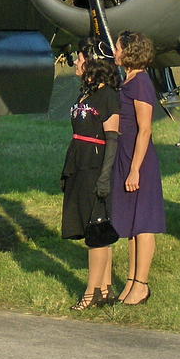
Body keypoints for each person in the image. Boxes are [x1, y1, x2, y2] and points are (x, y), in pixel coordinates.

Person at [60, 38, 121, 309]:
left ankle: (90, 292)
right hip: (79, 163)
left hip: (95, 167)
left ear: (91, 61)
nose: (76, 62)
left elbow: (113, 138)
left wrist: (105, 177)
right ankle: (106, 288)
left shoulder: (107, 95)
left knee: (97, 231)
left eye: (80, 57)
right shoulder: (85, 91)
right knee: (93, 226)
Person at [112, 31, 166, 305]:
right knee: (132, 223)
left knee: (144, 224)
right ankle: (132, 281)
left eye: (119, 48)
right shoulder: (128, 80)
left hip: (140, 160)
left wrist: (135, 169)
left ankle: (142, 285)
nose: (115, 51)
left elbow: (145, 129)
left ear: (129, 52)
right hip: (125, 155)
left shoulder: (141, 83)